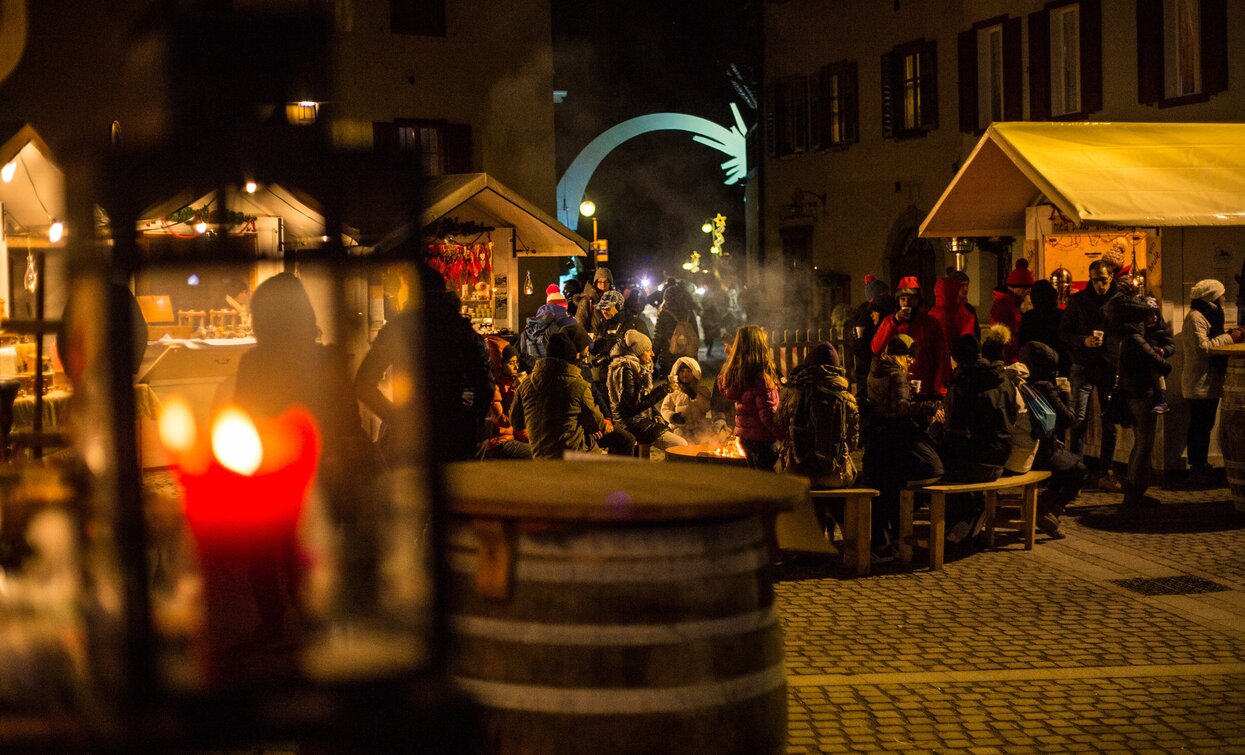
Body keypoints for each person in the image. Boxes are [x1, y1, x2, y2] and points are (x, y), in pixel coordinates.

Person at [356, 265, 493, 465]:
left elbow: (363, 383)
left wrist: (395, 418)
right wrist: (473, 421)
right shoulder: (460, 328)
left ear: (410, 291)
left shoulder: (399, 327)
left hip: (411, 433)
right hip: (453, 433)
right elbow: (485, 384)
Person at [862, 334, 943, 560]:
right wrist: (928, 407)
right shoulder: (896, 375)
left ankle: (881, 543)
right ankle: (893, 543)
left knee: (881, 492)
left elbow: (885, 403)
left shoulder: (875, 370)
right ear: (900, 356)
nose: (911, 362)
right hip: (892, 439)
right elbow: (900, 408)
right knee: (894, 490)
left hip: (876, 436)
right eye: (908, 357)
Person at [776, 341, 860, 540]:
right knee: (837, 486)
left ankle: (807, 544)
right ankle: (851, 544)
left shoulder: (792, 392)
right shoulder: (846, 398)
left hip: (798, 471)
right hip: (835, 474)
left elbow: (778, 423)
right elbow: (854, 441)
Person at [938, 331, 1016, 542]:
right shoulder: (1002, 378)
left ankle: (961, 518)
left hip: (976, 463)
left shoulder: (962, 381)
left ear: (955, 357)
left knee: (936, 463)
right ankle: (971, 512)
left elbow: (953, 430)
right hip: (1002, 458)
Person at [1058, 259, 1123, 492]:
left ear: (1111, 278)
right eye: (1095, 280)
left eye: (1103, 280)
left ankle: (1107, 470)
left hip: (1108, 366)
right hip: (1084, 365)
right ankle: (1077, 469)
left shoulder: (1119, 301)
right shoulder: (1079, 301)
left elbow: (1127, 330)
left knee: (1110, 422)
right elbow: (1064, 332)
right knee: (1079, 419)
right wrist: (1083, 340)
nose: (1099, 285)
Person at [1181, 279, 1244, 487]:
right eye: (1221, 296)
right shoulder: (1196, 317)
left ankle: (1200, 465)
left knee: (1204, 425)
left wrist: (1227, 334)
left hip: (1207, 382)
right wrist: (1228, 338)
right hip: (1199, 382)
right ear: (1212, 298)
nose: (1224, 299)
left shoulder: (1207, 315)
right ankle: (1197, 467)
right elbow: (1202, 348)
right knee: (1199, 426)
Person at [510, 328, 609, 459]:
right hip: (576, 456)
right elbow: (596, 425)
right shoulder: (578, 386)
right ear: (571, 359)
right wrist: (606, 423)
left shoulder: (526, 384)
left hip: (541, 455)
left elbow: (516, 423)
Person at [1019, 341, 1083, 538]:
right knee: (1078, 470)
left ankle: (1046, 512)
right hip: (1042, 451)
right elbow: (1068, 419)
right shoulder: (1045, 387)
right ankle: (1044, 510)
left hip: (1025, 447)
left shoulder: (1021, 382)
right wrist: (1066, 393)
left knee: (1065, 467)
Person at [717, 325, 784, 470]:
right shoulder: (761, 379)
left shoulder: (739, 375)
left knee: (756, 481)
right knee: (768, 483)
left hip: (745, 437)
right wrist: (784, 437)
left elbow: (726, 390)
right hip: (763, 439)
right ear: (759, 346)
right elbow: (768, 415)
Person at [606, 329, 687, 450]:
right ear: (638, 352)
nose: (653, 354)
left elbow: (643, 397)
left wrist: (655, 414)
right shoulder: (624, 370)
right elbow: (635, 404)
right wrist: (664, 389)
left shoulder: (637, 367)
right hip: (630, 422)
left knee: (674, 433)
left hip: (640, 418)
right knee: (680, 445)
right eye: (648, 350)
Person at [870, 275, 949, 396]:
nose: (906, 303)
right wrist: (895, 322)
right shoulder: (889, 321)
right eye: (903, 299)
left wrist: (939, 389)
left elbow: (941, 357)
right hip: (894, 391)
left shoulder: (931, 324)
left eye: (911, 299)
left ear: (918, 300)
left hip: (924, 388)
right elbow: (876, 348)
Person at [482, 338, 532, 459]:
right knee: (536, 456)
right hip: (498, 443)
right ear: (500, 364)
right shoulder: (493, 387)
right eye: (511, 363)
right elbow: (503, 421)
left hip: (509, 437)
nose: (516, 367)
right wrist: (515, 390)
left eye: (517, 363)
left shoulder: (506, 383)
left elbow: (519, 426)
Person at [852, 276, 892, 400]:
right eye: (884, 294)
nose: (888, 297)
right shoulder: (867, 313)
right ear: (875, 297)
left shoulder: (881, 310)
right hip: (868, 366)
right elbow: (861, 345)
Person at [1019, 279, 1070, 376]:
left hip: (1034, 365)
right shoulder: (1061, 315)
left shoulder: (1029, 316)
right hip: (1059, 364)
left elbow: (1022, 341)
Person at [659, 356, 713, 442]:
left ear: (695, 373)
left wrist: (695, 396)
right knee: (681, 444)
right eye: (682, 371)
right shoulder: (673, 392)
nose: (685, 374)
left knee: (702, 443)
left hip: (698, 427)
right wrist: (673, 417)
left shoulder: (702, 390)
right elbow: (665, 409)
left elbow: (707, 407)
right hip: (680, 429)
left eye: (689, 371)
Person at [653, 280, 701, 375]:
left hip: (670, 357)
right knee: (688, 385)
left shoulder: (664, 314)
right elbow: (695, 335)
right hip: (689, 357)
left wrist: (653, 359)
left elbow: (658, 338)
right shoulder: (689, 312)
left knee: (673, 385)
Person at [990, 259, 1033, 363]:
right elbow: (1005, 335)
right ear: (1013, 288)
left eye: (1029, 288)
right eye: (1024, 288)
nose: (1027, 291)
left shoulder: (1015, 304)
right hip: (1009, 358)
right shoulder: (1003, 306)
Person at [927, 273, 977, 360]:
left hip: (966, 356)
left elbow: (975, 333)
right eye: (962, 285)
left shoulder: (968, 309)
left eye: (967, 285)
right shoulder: (941, 313)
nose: (966, 289)